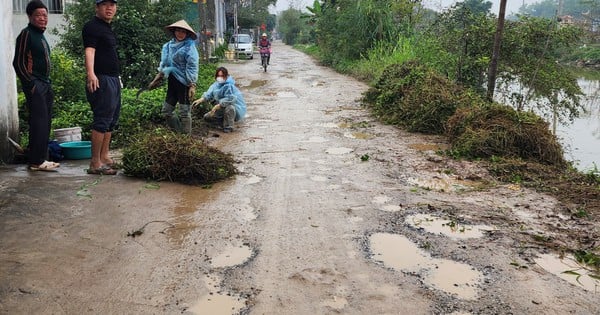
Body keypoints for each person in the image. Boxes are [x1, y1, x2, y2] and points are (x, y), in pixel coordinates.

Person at [13, 0, 60, 172]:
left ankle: (39, 158)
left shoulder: (40, 35)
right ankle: (36, 161)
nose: (42, 18)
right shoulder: (26, 34)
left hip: (45, 83)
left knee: (45, 121)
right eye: (38, 15)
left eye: (45, 15)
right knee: (39, 122)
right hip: (36, 84)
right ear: (30, 16)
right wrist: (31, 84)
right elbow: (18, 62)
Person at [82, 0, 120, 175]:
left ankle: (104, 156)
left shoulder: (107, 27)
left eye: (112, 5)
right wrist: (91, 74)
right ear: (97, 7)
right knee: (102, 119)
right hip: (101, 79)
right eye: (105, 5)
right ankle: (95, 163)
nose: (109, 8)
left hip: (112, 79)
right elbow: (90, 51)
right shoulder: (92, 26)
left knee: (111, 120)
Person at [157, 20, 199, 134]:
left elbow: (192, 66)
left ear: (187, 34)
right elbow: (164, 63)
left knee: (184, 113)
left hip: (184, 83)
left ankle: (186, 140)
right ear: (174, 31)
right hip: (172, 82)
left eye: (183, 32)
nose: (180, 34)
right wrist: (158, 76)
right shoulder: (168, 46)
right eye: (178, 31)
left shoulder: (189, 47)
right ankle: (179, 134)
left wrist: (192, 85)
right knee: (166, 112)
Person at [192, 67, 247, 133]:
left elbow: (230, 99)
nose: (220, 77)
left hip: (232, 108)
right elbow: (209, 94)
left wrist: (218, 106)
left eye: (222, 76)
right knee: (207, 117)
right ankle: (223, 122)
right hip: (220, 108)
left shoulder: (229, 86)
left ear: (226, 76)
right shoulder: (215, 85)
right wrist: (201, 100)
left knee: (230, 108)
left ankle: (228, 127)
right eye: (218, 76)